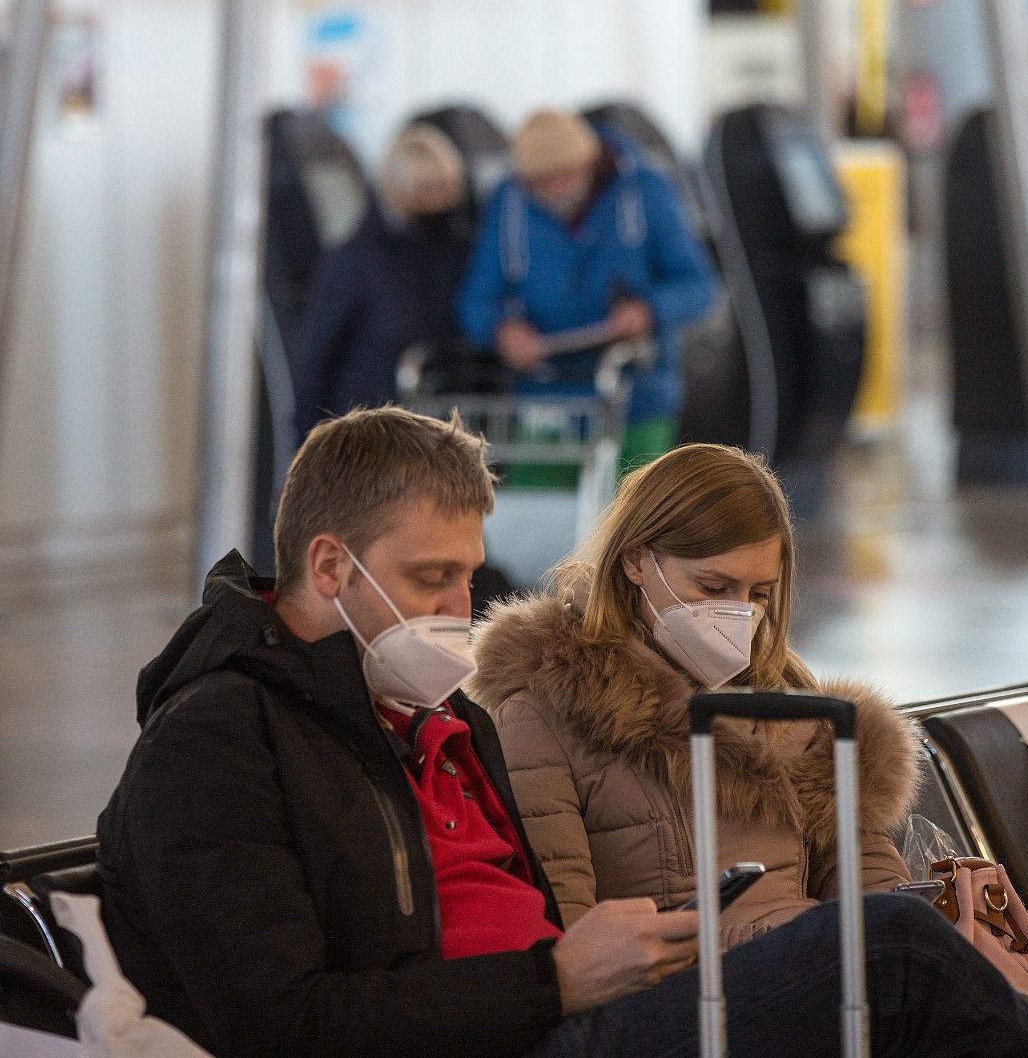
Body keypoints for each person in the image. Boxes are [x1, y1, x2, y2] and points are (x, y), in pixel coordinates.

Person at [96, 409, 1028, 1058]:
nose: (456, 608)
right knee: (887, 949)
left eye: (468, 574)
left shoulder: (426, 719)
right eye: (431, 575)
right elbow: (282, 1022)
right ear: (330, 562)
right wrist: (553, 979)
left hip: (561, 1011)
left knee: (888, 948)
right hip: (539, 1027)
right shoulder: (219, 740)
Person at [471, 443, 920, 943]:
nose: (739, 614)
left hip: (816, 977)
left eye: (759, 595)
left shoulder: (790, 700)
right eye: (713, 588)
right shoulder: (542, 714)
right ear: (636, 561)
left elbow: (869, 878)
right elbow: (576, 945)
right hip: (679, 993)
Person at [457, 109, 714, 470]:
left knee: (634, 520)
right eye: (539, 182)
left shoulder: (648, 192)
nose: (553, 191)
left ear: (589, 162)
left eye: (564, 175)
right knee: (541, 520)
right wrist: (501, 332)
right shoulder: (508, 203)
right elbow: (475, 300)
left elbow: (699, 285)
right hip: (546, 401)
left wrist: (649, 310)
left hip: (637, 400)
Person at [292, 123, 470, 439]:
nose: (438, 201)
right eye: (426, 190)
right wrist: (303, 443)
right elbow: (318, 357)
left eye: (443, 188)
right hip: (366, 432)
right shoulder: (358, 259)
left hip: (423, 428)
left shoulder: (457, 251)